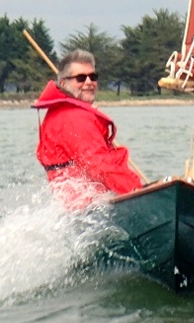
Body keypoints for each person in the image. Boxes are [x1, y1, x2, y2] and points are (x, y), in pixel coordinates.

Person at [33, 49, 144, 207]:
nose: (88, 82)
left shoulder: (61, 114)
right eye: (80, 78)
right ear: (63, 83)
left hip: (74, 208)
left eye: (93, 77)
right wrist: (135, 189)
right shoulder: (74, 118)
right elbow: (101, 167)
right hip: (89, 208)